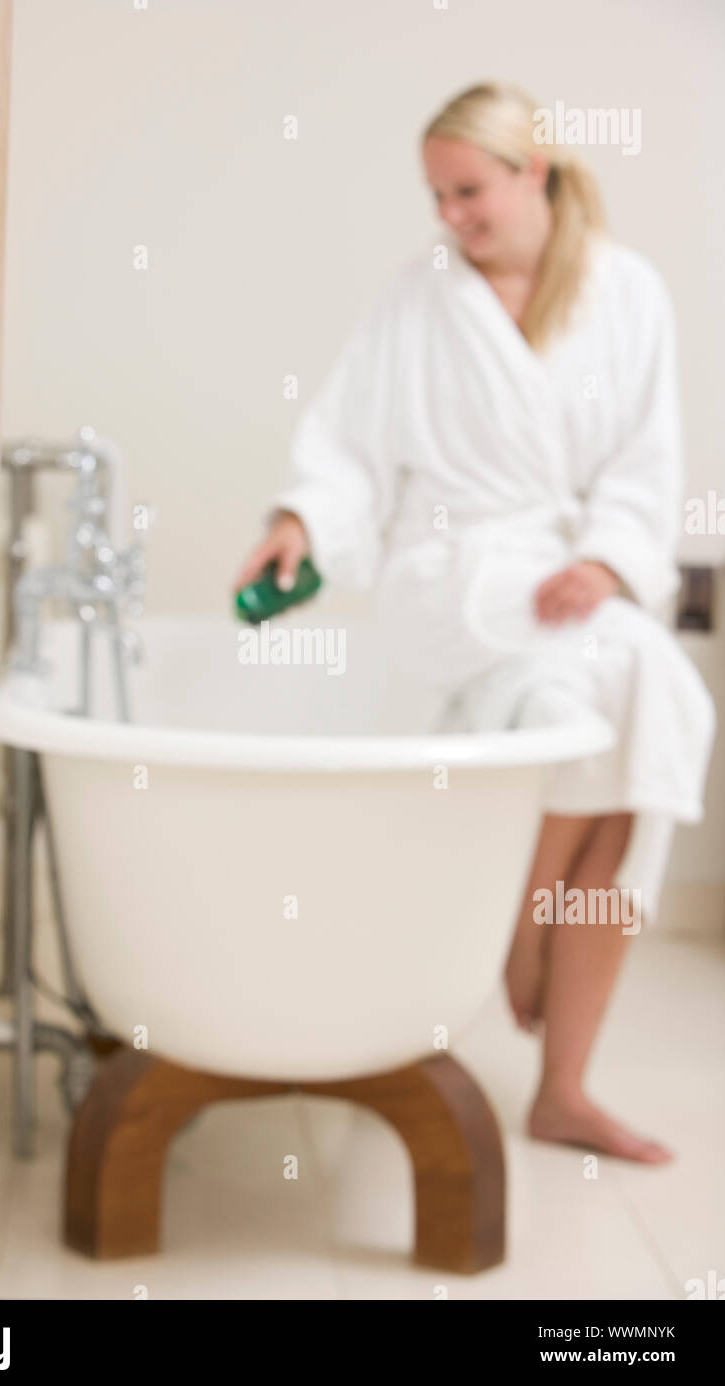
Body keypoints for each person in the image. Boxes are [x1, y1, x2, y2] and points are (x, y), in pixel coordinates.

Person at [233, 82, 715, 1163]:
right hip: (446, 581)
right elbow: (346, 447)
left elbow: (645, 463)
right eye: (435, 196)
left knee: (630, 694)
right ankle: (535, 965)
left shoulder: (626, 293)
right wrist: (297, 521)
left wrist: (602, 558)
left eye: (467, 191)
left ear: (531, 169)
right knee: (628, 688)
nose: (448, 217)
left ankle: (539, 981)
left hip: (561, 586)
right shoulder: (419, 298)